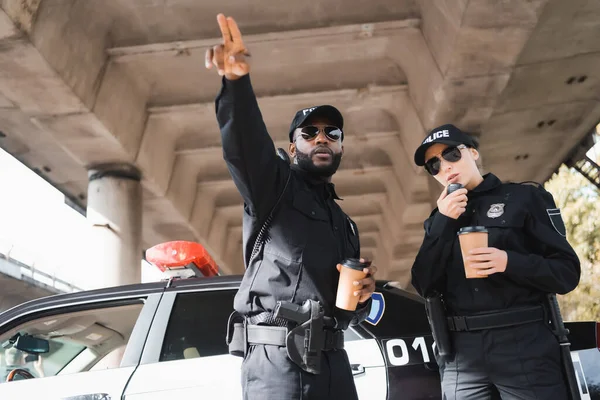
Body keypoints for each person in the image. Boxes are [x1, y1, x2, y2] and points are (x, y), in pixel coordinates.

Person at [205, 14, 377, 400]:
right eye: (309, 133)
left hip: (334, 363)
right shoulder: (274, 188)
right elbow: (245, 146)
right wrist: (236, 83)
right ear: (292, 147)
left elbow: (345, 311)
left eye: (332, 133)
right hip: (278, 361)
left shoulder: (345, 225)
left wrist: (362, 297)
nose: (321, 139)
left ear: (341, 147)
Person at [410, 124, 581, 400]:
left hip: (523, 343)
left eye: (452, 153)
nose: (445, 166)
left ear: (473, 153)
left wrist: (508, 262)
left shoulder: (524, 198)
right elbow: (424, 284)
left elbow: (566, 273)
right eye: (434, 165)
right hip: (461, 357)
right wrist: (443, 221)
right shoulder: (438, 218)